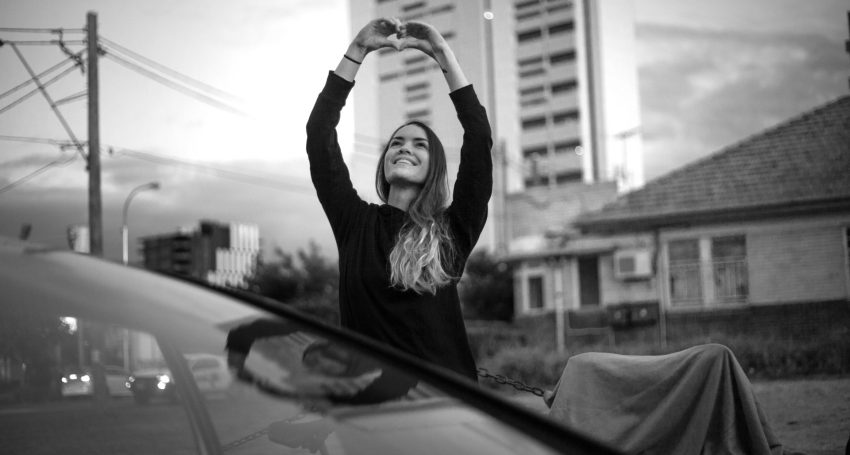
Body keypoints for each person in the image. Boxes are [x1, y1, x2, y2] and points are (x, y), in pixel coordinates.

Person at [305, 18, 492, 383]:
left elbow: (478, 135)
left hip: (448, 411)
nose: (405, 147)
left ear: (433, 166)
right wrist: (356, 51)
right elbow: (319, 134)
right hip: (370, 414)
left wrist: (442, 54)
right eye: (397, 142)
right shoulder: (354, 223)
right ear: (385, 160)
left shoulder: (451, 232)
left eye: (419, 144)